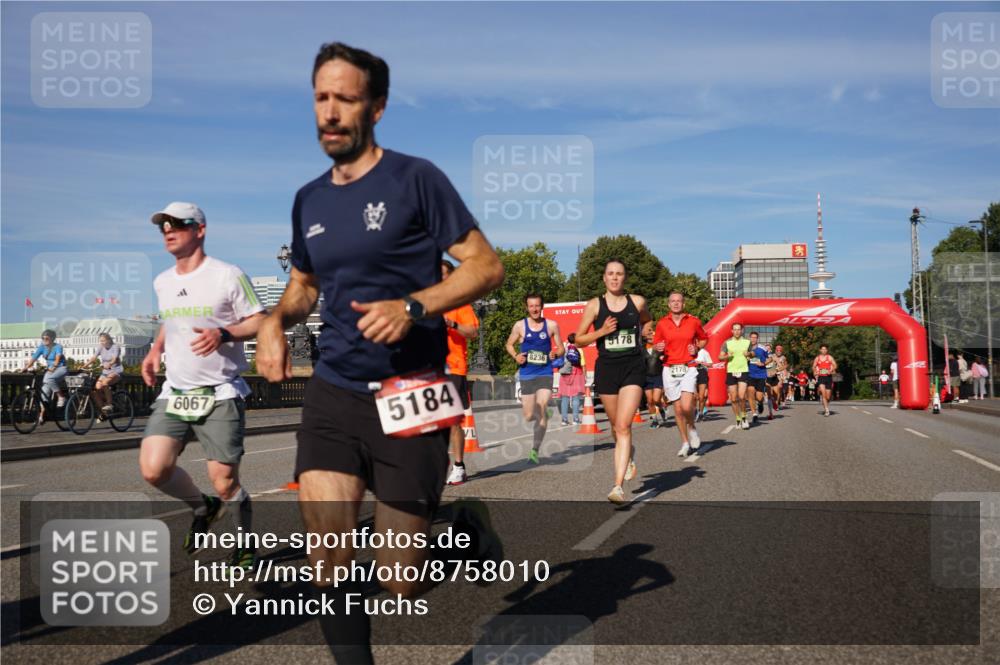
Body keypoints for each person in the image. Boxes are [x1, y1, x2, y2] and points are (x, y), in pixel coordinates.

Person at [254, 42, 505, 665]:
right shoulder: (308, 198)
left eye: (346, 97)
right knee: (328, 555)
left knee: (402, 578)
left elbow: (486, 266)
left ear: (378, 107)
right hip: (335, 392)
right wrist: (272, 324)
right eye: (320, 97)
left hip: (413, 392)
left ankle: (458, 531)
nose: (330, 112)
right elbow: (304, 286)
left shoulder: (416, 179)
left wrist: (416, 306)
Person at [139, 201, 266, 571]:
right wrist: (154, 349)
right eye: (162, 225)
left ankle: (244, 543)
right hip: (176, 392)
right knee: (153, 469)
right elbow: (170, 321)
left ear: (200, 229)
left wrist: (224, 332)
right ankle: (203, 507)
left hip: (220, 391)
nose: (168, 230)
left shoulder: (227, 275)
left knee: (225, 482)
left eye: (177, 223)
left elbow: (259, 320)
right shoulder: (162, 280)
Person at [574, 259, 652, 505]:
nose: (615, 278)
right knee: (614, 425)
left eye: (619, 274)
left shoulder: (637, 302)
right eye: (611, 274)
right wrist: (601, 332)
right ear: (604, 278)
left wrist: (644, 333)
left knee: (623, 426)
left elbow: (648, 321)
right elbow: (578, 339)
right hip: (607, 369)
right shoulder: (595, 305)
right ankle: (628, 456)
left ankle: (617, 487)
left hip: (633, 367)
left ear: (624, 278)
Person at [506, 294, 563, 464]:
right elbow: (509, 344)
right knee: (529, 415)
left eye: (537, 306)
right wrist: (516, 356)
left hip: (545, 372)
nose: (535, 309)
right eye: (531, 306)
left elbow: (561, 348)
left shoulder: (552, 325)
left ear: (542, 306)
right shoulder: (520, 326)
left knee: (542, 405)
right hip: (527, 373)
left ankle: (534, 450)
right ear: (527, 307)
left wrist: (556, 353)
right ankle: (543, 413)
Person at [652, 291, 708, 456]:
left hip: (688, 366)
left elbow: (704, 338)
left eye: (679, 301)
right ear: (669, 304)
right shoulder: (662, 323)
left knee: (686, 406)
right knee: (677, 409)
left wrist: (697, 347)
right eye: (672, 301)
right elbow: (656, 344)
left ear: (683, 304)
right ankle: (685, 442)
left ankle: (692, 428)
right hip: (669, 368)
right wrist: (658, 348)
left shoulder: (693, 321)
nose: (676, 304)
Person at [440, 260, 480, 486]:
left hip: (453, 367)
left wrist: (451, 324)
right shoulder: (428, 303)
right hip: (429, 368)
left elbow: (473, 332)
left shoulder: (460, 304)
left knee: (453, 420)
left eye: (444, 274)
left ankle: (458, 466)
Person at [23, 329, 67, 423]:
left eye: (46, 338)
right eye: (43, 338)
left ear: (52, 339)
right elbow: (34, 357)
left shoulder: (58, 346)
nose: (44, 340)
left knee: (49, 379)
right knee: (44, 393)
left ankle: (61, 397)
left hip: (60, 368)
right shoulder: (42, 347)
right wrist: (26, 367)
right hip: (50, 370)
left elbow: (58, 357)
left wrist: (54, 366)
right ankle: (42, 416)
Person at [718, 322, 751, 430]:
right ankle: (738, 418)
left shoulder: (747, 342)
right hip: (731, 371)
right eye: (734, 329)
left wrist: (749, 354)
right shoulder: (726, 343)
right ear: (732, 331)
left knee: (741, 397)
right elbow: (720, 357)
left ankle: (744, 417)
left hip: (743, 370)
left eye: (738, 329)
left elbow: (753, 353)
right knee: (733, 399)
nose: (737, 331)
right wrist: (728, 356)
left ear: (742, 331)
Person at [83, 332, 123, 418]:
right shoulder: (101, 347)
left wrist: (110, 363)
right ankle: (104, 411)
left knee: (105, 383)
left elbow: (114, 358)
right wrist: (85, 365)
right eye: (100, 341)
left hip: (115, 371)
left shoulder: (115, 347)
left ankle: (109, 404)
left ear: (108, 340)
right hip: (105, 372)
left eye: (103, 341)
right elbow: (94, 357)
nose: (102, 343)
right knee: (96, 389)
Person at [558, 333, 586, 425]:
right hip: (577, 373)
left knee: (565, 398)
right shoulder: (579, 350)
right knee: (575, 398)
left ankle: (564, 420)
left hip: (565, 373)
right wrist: (585, 376)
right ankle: (575, 419)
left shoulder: (564, 348)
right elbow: (583, 365)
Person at [643, 328, 665, 428]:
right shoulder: (642, 349)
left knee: (656, 400)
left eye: (652, 334)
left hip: (658, 376)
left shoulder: (660, 349)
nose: (650, 336)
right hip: (646, 377)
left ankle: (661, 408)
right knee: (650, 401)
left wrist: (664, 358)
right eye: (648, 335)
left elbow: (667, 358)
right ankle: (655, 420)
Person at [746, 332, 769, 424]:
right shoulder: (747, 348)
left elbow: (770, 358)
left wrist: (763, 363)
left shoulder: (762, 348)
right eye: (752, 337)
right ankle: (754, 414)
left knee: (759, 397)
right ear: (749, 338)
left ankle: (760, 403)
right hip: (750, 374)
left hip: (761, 374)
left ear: (757, 338)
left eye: (755, 338)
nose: (753, 339)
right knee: (750, 392)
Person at [812, 344, 838, 416]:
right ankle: (827, 410)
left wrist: (831, 370)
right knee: (824, 394)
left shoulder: (829, 357)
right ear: (820, 350)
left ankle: (825, 401)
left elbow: (835, 365)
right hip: (821, 377)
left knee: (828, 397)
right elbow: (813, 367)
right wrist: (815, 371)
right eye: (822, 349)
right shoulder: (817, 358)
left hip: (828, 378)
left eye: (825, 349)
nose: (824, 350)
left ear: (827, 350)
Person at [694, 344, 712, 421]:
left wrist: (702, 363)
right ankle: (695, 412)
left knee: (701, 397)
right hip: (692, 373)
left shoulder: (704, 352)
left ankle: (701, 413)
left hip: (702, 373)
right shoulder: (689, 352)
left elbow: (710, 364)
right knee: (695, 397)